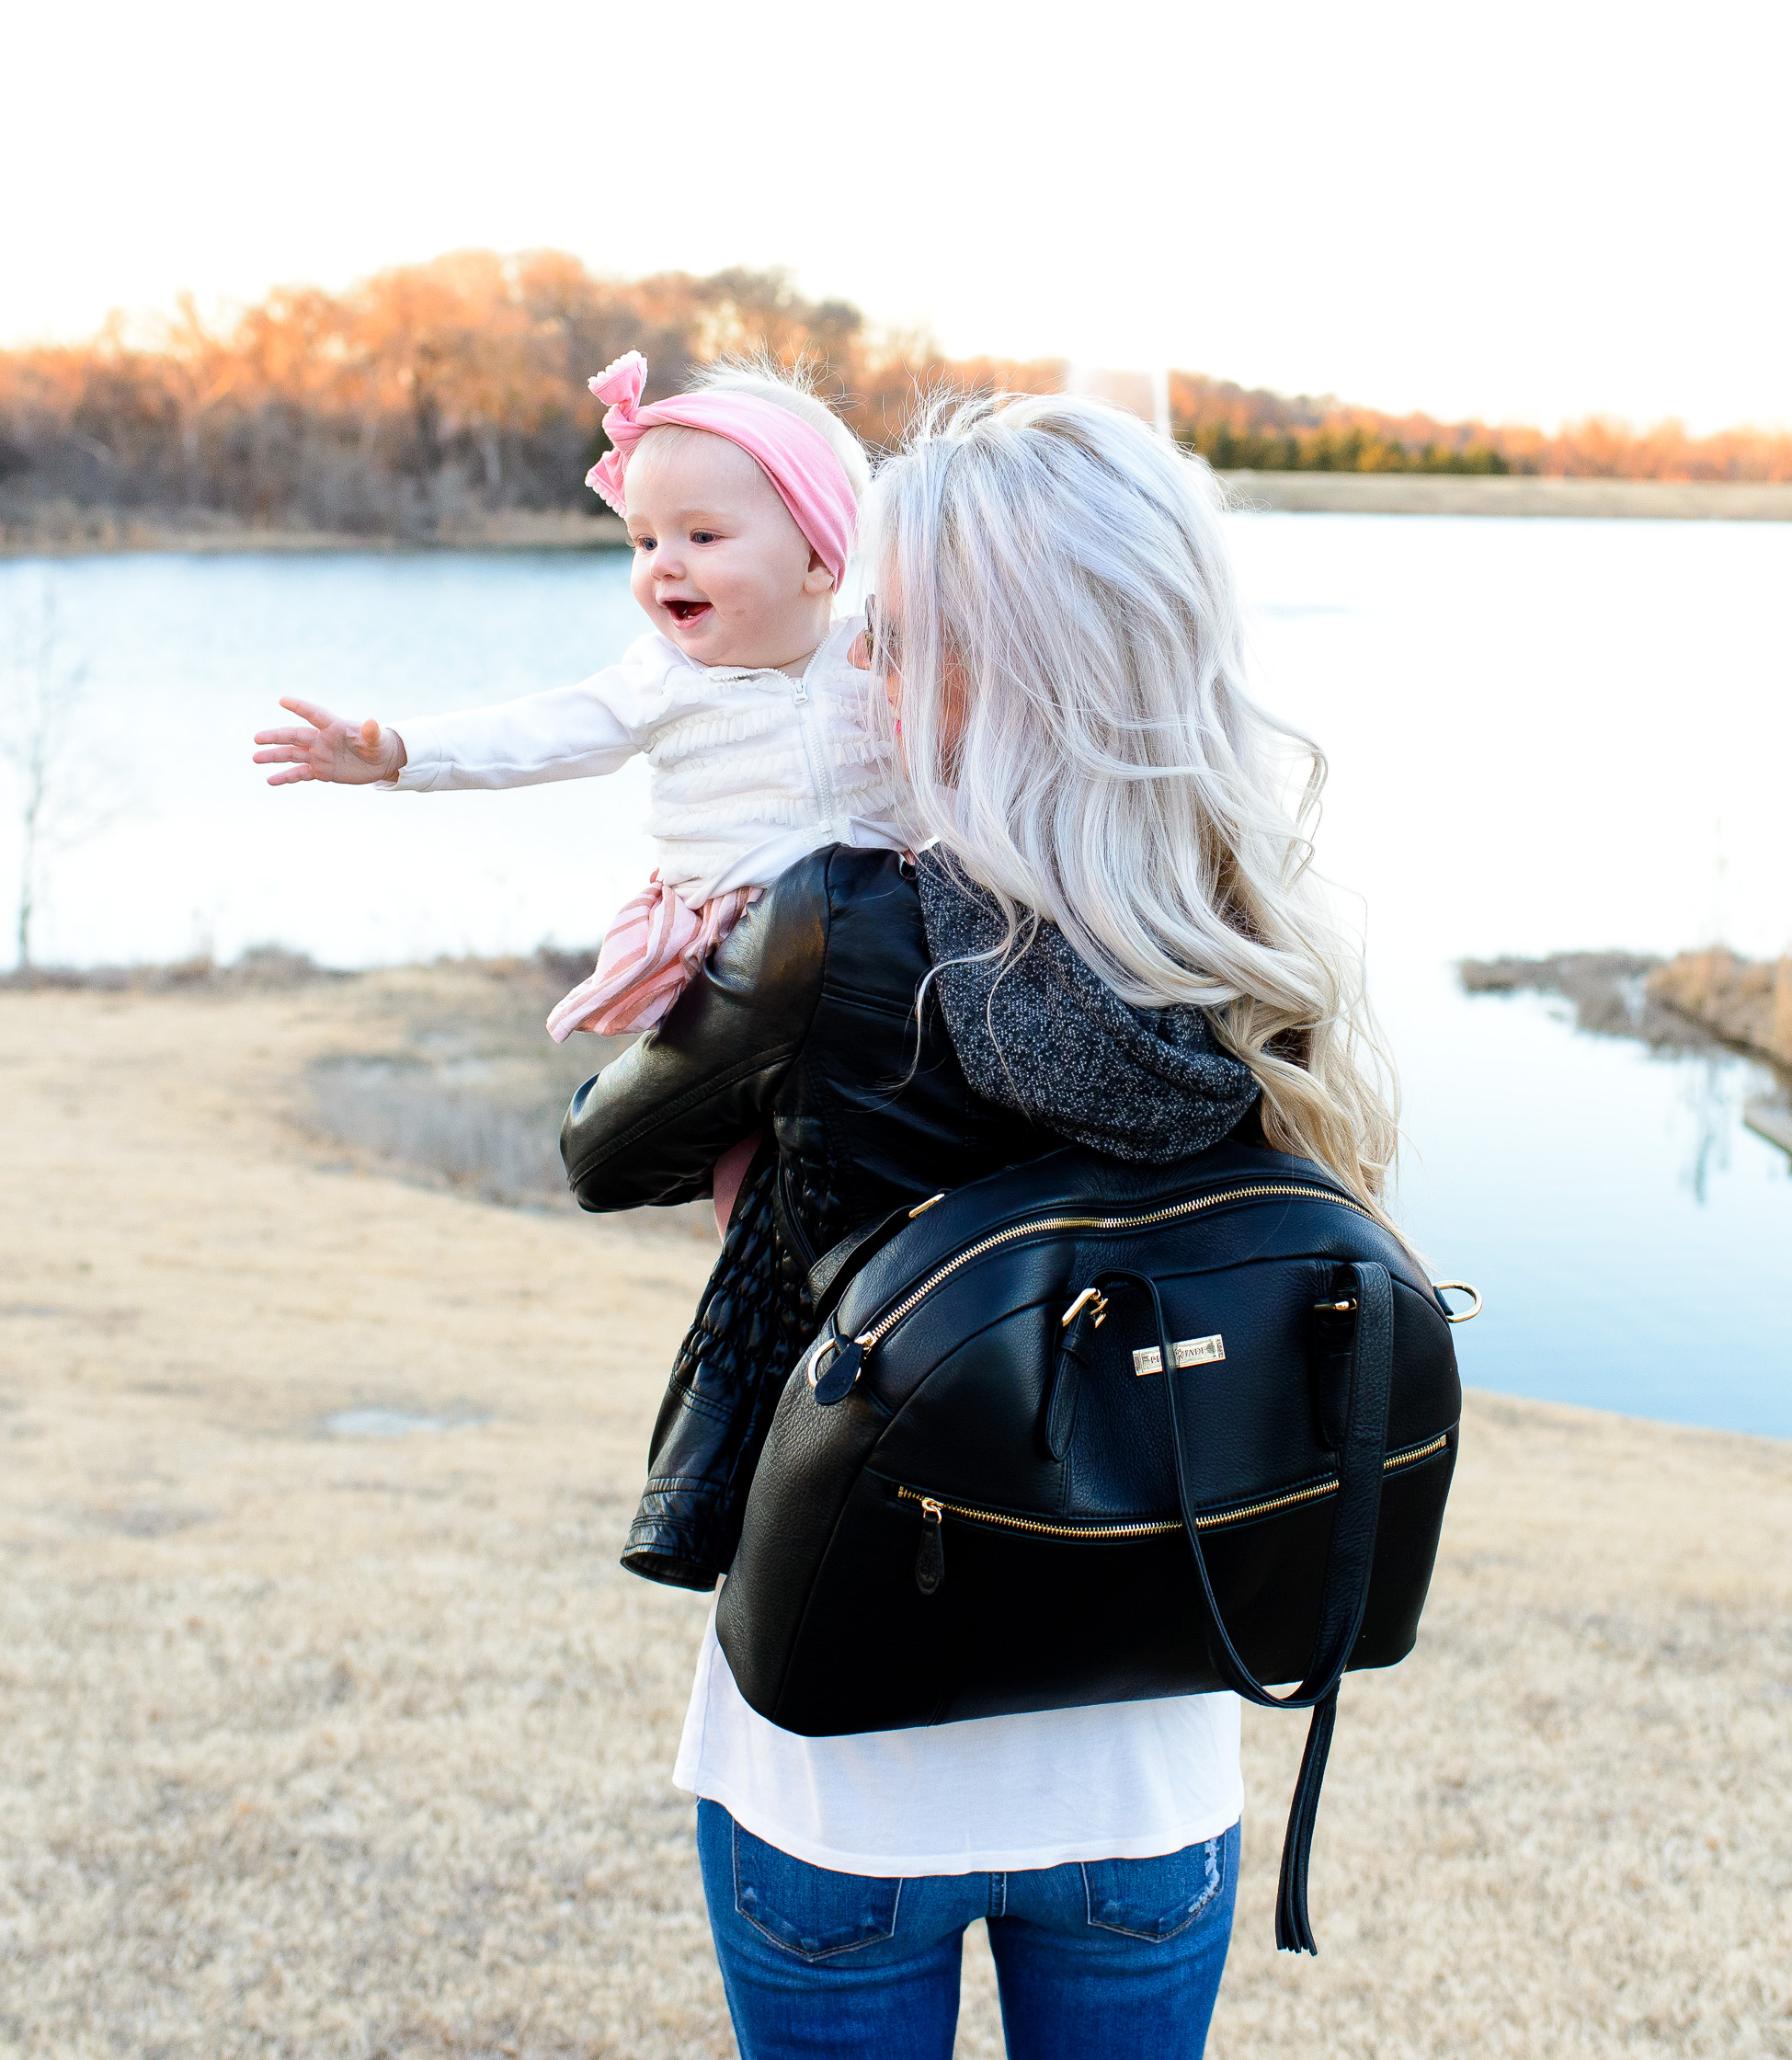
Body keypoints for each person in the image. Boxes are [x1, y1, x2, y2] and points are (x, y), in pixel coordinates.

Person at [560, 389, 1399, 2058]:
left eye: (886, 635)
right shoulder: (1247, 934)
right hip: (1148, 1759)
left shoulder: (835, 918)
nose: (853, 668)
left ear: (983, 669)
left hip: (836, 1757)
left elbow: (604, 1152)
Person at [249, 351, 903, 1227]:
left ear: (821, 559)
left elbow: (978, 744)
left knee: (892, 1119)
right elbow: (533, 735)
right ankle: (764, 1272)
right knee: (750, 1153)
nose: (663, 565)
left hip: (883, 935)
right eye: (644, 540)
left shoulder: (878, 657)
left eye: (702, 538)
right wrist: (399, 752)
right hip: (741, 948)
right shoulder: (661, 682)